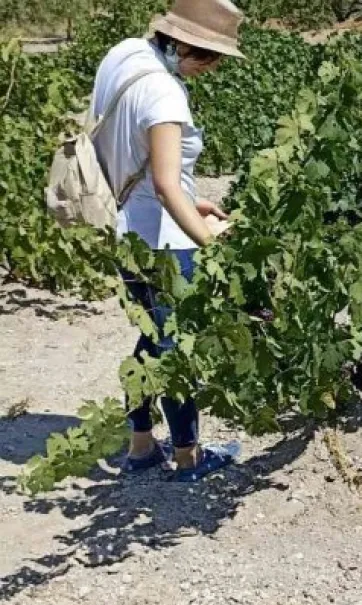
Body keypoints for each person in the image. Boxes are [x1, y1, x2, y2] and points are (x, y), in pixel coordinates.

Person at [91, 0, 245, 481]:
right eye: (209, 58)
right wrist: (208, 241)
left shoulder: (124, 54)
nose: (212, 69)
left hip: (126, 232)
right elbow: (164, 182)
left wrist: (189, 200)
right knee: (177, 346)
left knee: (153, 337)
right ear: (181, 45)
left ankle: (140, 446)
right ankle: (187, 456)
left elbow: (129, 150)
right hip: (164, 243)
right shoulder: (165, 94)